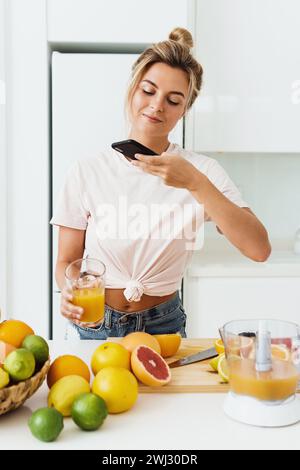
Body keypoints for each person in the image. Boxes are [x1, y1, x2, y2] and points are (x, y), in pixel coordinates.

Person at [50, 27, 271, 340]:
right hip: (94, 324)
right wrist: (69, 287)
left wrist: (195, 183)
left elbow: (259, 248)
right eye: (148, 90)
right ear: (133, 88)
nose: (157, 106)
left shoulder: (202, 171)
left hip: (163, 327)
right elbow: (66, 261)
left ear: (184, 110)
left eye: (173, 100)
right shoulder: (87, 171)